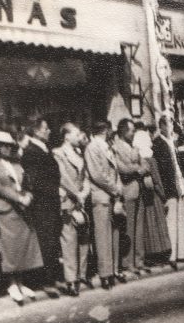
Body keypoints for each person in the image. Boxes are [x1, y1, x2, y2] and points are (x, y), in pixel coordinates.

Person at [0, 131, 41, 304]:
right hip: (6, 210)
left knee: (22, 247)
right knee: (10, 248)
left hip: (22, 210)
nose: (6, 148)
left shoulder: (16, 164)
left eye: (9, 145)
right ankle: (12, 284)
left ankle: (21, 283)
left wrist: (28, 195)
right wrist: (19, 198)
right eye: (2, 145)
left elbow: (26, 182)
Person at [21, 118, 63, 298]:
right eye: (46, 129)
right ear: (36, 131)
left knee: (53, 241)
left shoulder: (44, 149)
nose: (49, 131)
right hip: (42, 204)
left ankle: (53, 277)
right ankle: (46, 281)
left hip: (51, 202)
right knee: (46, 242)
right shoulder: (30, 152)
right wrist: (56, 190)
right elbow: (35, 181)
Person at [53, 123, 91, 297]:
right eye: (76, 133)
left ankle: (81, 275)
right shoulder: (58, 153)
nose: (79, 136)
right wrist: (77, 194)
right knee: (69, 241)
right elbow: (63, 178)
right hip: (68, 201)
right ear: (67, 136)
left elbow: (86, 178)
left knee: (83, 239)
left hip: (80, 201)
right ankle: (71, 280)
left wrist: (84, 192)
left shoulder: (79, 153)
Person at [85, 121, 123, 290]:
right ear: (105, 130)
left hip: (111, 196)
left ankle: (112, 270)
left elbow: (115, 171)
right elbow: (97, 175)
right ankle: (104, 274)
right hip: (101, 196)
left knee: (112, 236)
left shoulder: (106, 146)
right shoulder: (93, 147)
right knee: (102, 237)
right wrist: (115, 189)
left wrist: (118, 188)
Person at [153, 115, 184, 270]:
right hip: (169, 187)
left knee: (181, 219)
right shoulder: (158, 143)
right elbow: (162, 168)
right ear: (161, 126)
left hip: (179, 185)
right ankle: (172, 255)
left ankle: (182, 253)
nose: (170, 129)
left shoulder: (173, 142)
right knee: (171, 221)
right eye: (167, 125)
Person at [112, 118, 149, 276]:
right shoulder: (116, 148)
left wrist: (137, 168)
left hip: (138, 188)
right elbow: (122, 168)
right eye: (132, 130)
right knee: (128, 228)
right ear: (123, 131)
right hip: (127, 190)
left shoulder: (135, 146)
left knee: (139, 227)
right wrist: (137, 168)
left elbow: (146, 165)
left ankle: (139, 260)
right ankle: (128, 262)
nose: (134, 133)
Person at [133, 130, 171, 259]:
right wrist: (163, 195)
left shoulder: (138, 157)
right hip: (154, 196)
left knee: (147, 225)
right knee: (157, 222)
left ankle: (149, 252)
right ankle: (160, 252)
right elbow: (157, 180)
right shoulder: (151, 159)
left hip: (144, 195)